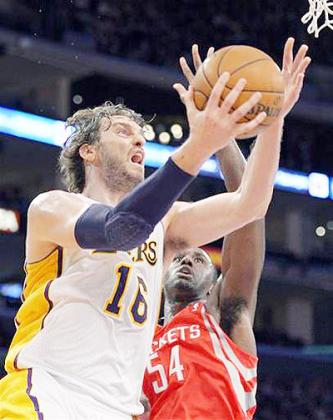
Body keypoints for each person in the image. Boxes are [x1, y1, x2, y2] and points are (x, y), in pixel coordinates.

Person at [0, 35, 307, 419]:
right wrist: (199, 145)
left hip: (116, 409)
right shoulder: (53, 208)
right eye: (122, 131)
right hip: (47, 391)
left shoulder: (166, 223)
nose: (138, 141)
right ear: (89, 151)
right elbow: (119, 229)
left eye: (141, 136)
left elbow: (252, 204)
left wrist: (272, 123)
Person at [142, 38, 311, 419]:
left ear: (216, 281)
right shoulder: (139, 339)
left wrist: (220, 138)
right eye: (182, 256)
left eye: (200, 258)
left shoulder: (227, 317)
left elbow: (246, 208)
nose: (187, 260)